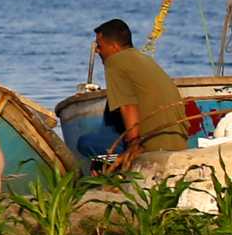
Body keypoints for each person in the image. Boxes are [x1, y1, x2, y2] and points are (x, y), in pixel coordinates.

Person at [77, 18, 188, 169]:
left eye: (99, 46)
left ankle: (112, 169)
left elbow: (128, 106)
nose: (96, 50)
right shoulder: (143, 58)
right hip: (178, 141)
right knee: (109, 123)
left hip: (151, 145)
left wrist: (133, 145)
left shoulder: (115, 61)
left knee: (85, 143)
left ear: (114, 46)